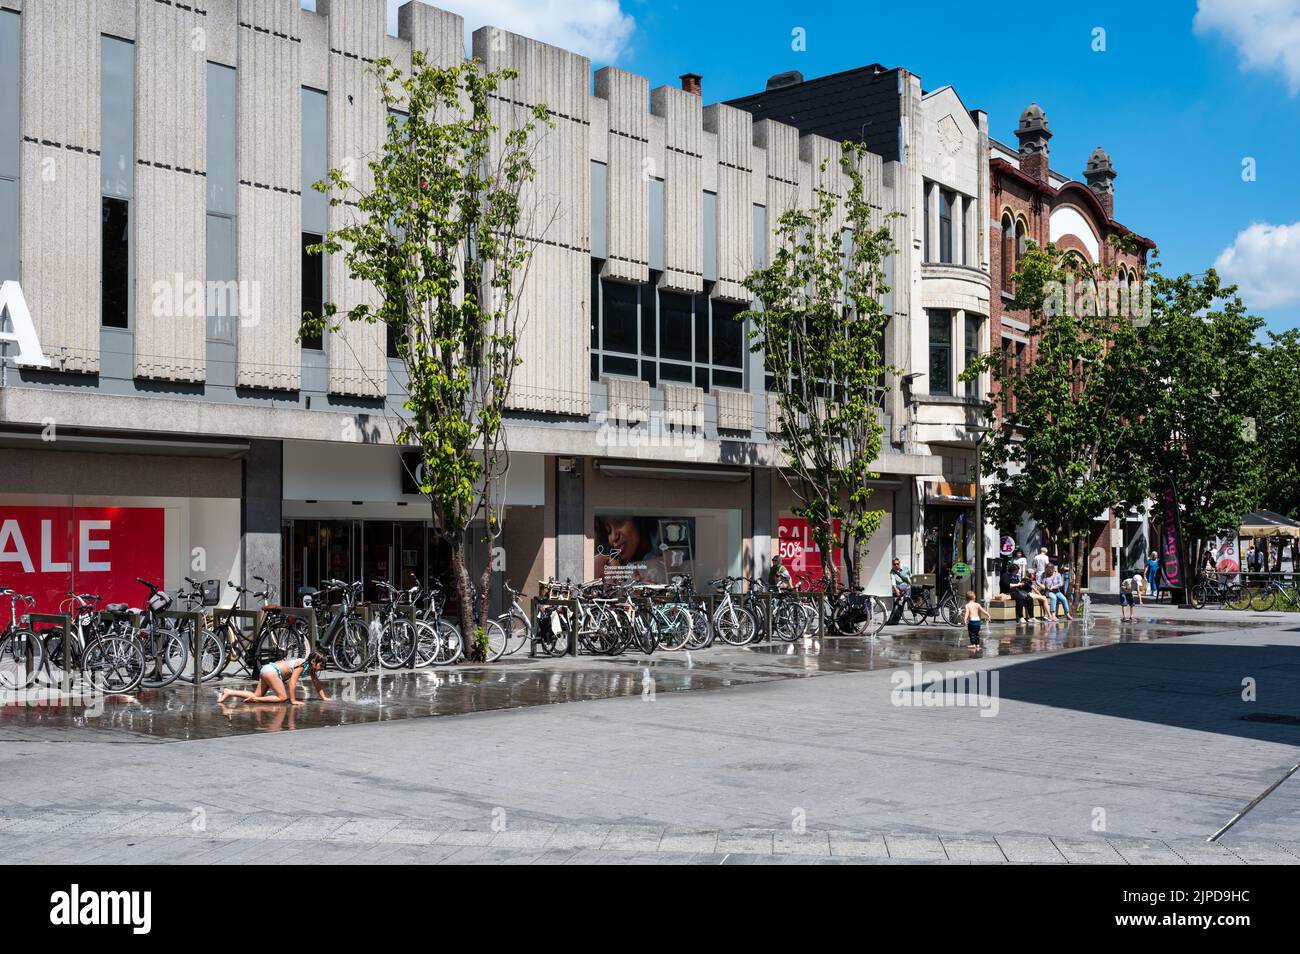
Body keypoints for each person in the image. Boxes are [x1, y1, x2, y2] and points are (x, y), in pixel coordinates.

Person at [217, 650, 330, 706]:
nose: (322, 667)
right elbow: (292, 683)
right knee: (282, 697)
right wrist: (293, 701)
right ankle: (256, 700)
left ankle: (229, 692)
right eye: (321, 664)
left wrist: (324, 697)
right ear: (313, 661)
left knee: (256, 694)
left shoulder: (310, 669)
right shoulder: (301, 665)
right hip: (272, 672)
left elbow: (317, 683)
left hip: (268, 669)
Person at [1000, 560, 1033, 625]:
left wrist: (1022, 584)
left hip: (1016, 590)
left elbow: (1018, 584)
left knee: (1029, 598)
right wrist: (1018, 584)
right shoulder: (1006, 575)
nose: (1017, 572)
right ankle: (1020, 617)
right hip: (1008, 592)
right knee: (1020, 598)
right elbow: (1008, 585)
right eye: (1016, 571)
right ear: (1012, 570)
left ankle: (1031, 616)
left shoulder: (1016, 576)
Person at [888, 558, 912, 624]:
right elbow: (893, 582)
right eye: (894, 564)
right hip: (898, 588)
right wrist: (896, 590)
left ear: (899, 563)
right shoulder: (892, 571)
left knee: (908, 602)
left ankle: (915, 617)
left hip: (906, 587)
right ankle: (893, 620)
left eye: (897, 564)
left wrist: (910, 582)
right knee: (896, 604)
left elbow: (910, 576)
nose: (896, 565)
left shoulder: (906, 568)